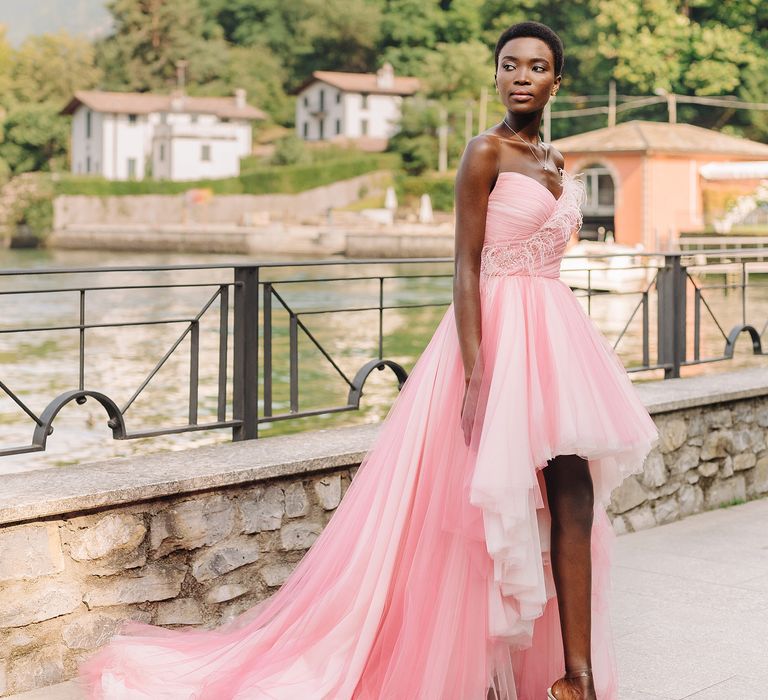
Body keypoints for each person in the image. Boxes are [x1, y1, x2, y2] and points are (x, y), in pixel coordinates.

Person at [79, 21, 659, 700]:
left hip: (555, 342)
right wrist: (476, 373)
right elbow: (464, 269)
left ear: (558, 81)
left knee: (574, 500)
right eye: (509, 65)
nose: (521, 76)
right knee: (476, 511)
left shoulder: (560, 163)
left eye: (536, 66)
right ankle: (479, 665)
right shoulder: (483, 152)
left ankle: (577, 677)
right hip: (495, 341)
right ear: (496, 75)